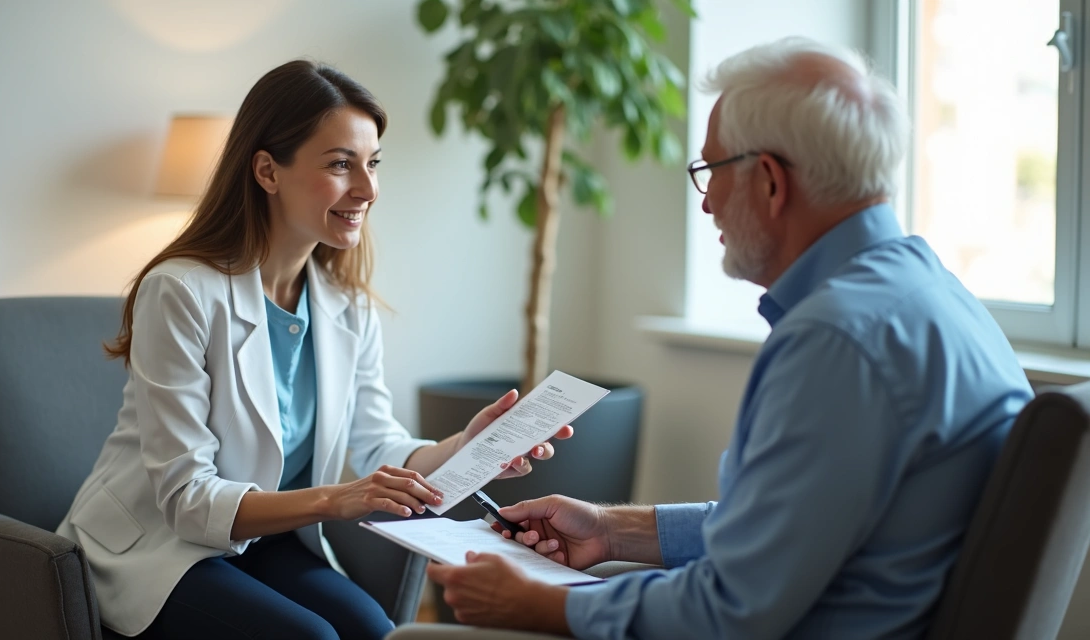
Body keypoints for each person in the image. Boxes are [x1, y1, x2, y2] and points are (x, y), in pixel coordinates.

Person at [419, 37, 1034, 639]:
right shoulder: (931, 294)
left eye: (711, 169)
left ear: (769, 180)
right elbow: (780, 535)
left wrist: (542, 608)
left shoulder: (837, 339)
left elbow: (732, 608)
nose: (707, 201)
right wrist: (611, 530)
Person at [56, 60, 571, 640]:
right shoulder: (180, 291)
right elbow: (186, 499)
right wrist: (337, 499)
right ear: (267, 171)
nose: (368, 189)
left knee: (376, 632)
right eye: (340, 165)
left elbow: (379, 443)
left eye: (372, 163)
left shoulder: (347, 305)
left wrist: (466, 445)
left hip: (265, 542)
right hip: (158, 545)